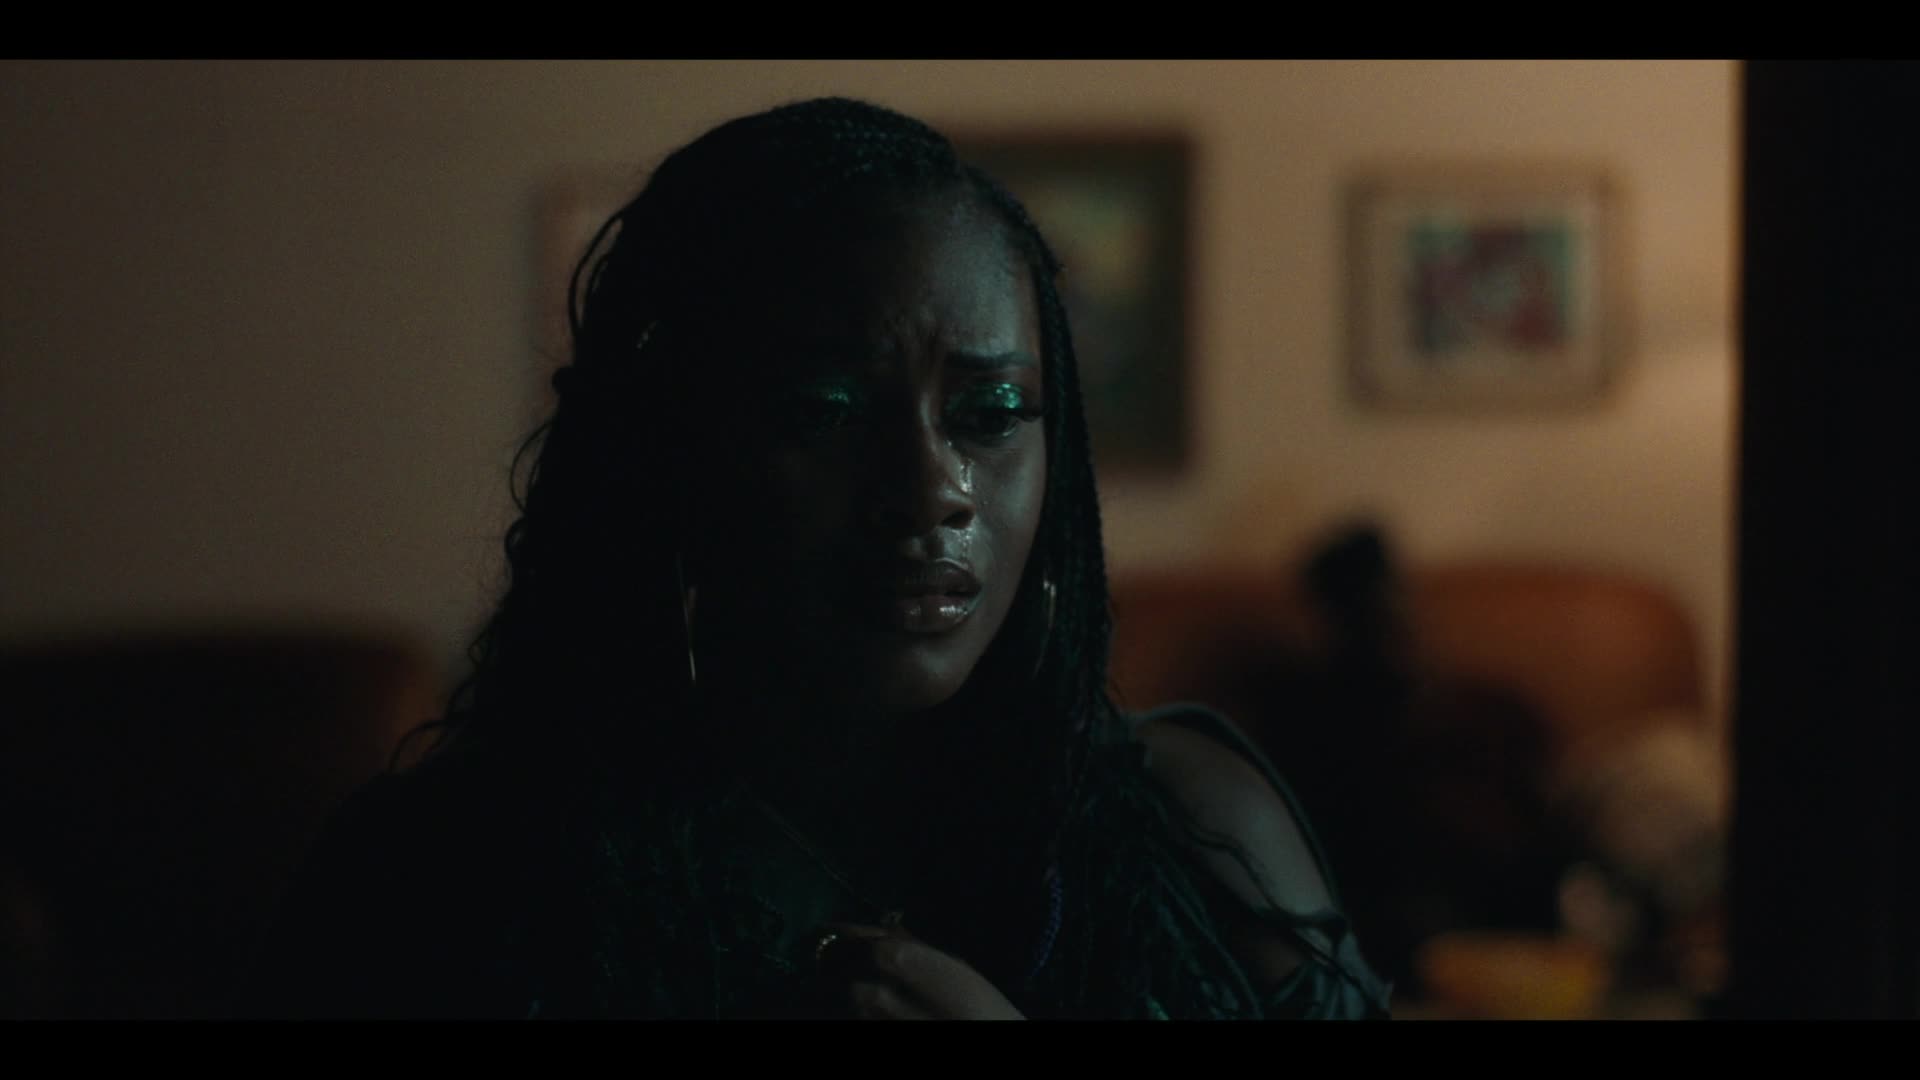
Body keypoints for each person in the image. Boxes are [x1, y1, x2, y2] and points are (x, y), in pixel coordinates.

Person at [242, 97, 1391, 1020]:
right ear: (667, 444)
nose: (932, 488)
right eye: (824, 411)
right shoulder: (437, 884)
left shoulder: (1198, 845)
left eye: (992, 413)